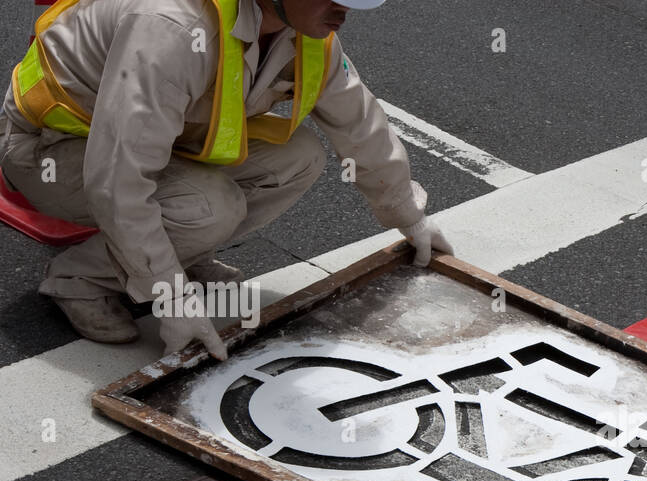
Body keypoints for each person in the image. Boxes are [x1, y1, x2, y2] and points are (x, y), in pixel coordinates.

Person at [0, 0, 451, 359]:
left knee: (299, 158)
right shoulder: (172, 28)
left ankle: (184, 250)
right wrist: (170, 296)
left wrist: (409, 216)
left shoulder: (304, 32)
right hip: (52, 147)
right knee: (210, 208)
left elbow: (360, 124)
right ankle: (80, 279)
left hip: (158, 141)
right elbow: (117, 178)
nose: (343, 13)